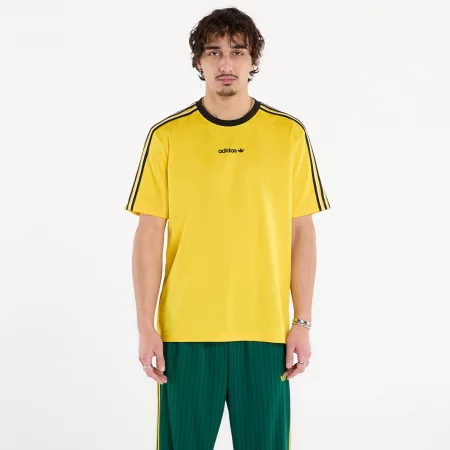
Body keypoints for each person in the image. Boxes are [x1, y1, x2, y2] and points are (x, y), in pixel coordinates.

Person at [125, 7, 331, 450]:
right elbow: (148, 235)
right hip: (185, 333)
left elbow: (302, 233)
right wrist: (145, 326)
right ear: (198, 60)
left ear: (253, 60)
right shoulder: (167, 136)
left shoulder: (288, 134)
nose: (225, 63)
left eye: (238, 52)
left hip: (265, 333)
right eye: (213, 51)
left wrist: (302, 321)